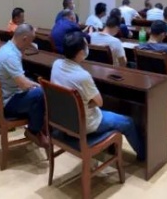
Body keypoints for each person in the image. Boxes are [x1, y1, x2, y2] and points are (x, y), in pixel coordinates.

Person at [52, 31, 145, 161]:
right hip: (85, 125)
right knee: (127, 122)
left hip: (64, 120)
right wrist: (86, 103)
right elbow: (99, 102)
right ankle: (144, 155)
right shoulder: (82, 76)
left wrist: (82, 102)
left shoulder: (56, 64)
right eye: (86, 45)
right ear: (81, 52)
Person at [0, 24, 48, 147]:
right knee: (41, 93)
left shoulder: (7, 48)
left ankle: (39, 126)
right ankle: (33, 131)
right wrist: (40, 87)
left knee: (36, 87)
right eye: (31, 40)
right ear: (24, 39)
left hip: (5, 95)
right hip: (8, 102)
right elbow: (24, 85)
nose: (31, 43)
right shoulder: (10, 56)